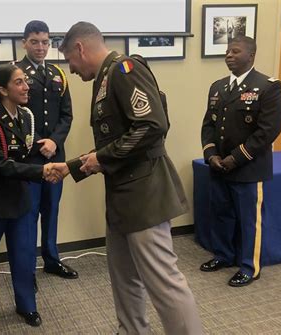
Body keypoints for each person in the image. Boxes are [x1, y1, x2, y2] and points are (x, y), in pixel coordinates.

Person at [54, 22, 203, 335]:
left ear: (80, 48)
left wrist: (101, 158)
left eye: (70, 60)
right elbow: (115, 141)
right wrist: (74, 166)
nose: (72, 68)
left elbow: (151, 126)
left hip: (144, 194)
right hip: (122, 197)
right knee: (124, 279)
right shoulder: (106, 77)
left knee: (164, 282)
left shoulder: (125, 69)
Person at [0, 64, 60, 329]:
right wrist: (41, 171)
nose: (26, 86)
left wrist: (48, 167)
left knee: (24, 254)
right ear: (3, 89)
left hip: (19, 197)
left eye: (25, 81)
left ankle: (27, 305)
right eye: (19, 82)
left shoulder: (25, 116)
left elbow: (26, 154)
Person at [200, 36, 281, 287]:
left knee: (249, 221)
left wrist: (235, 159)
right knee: (222, 215)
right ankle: (224, 256)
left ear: (251, 56)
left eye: (235, 51)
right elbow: (209, 126)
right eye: (227, 51)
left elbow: (268, 131)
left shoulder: (268, 87)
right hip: (220, 167)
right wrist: (211, 155)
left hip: (248, 168)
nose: (229, 55)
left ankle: (250, 266)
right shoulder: (217, 87)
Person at [16, 20, 77, 282]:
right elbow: (15, 116)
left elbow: (66, 114)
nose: (41, 47)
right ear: (24, 43)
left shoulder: (57, 74)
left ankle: (51, 259)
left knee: (52, 210)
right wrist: (42, 142)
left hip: (56, 156)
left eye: (45, 42)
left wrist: (55, 141)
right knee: (29, 214)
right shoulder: (14, 72)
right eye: (34, 42)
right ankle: (26, 268)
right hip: (30, 158)